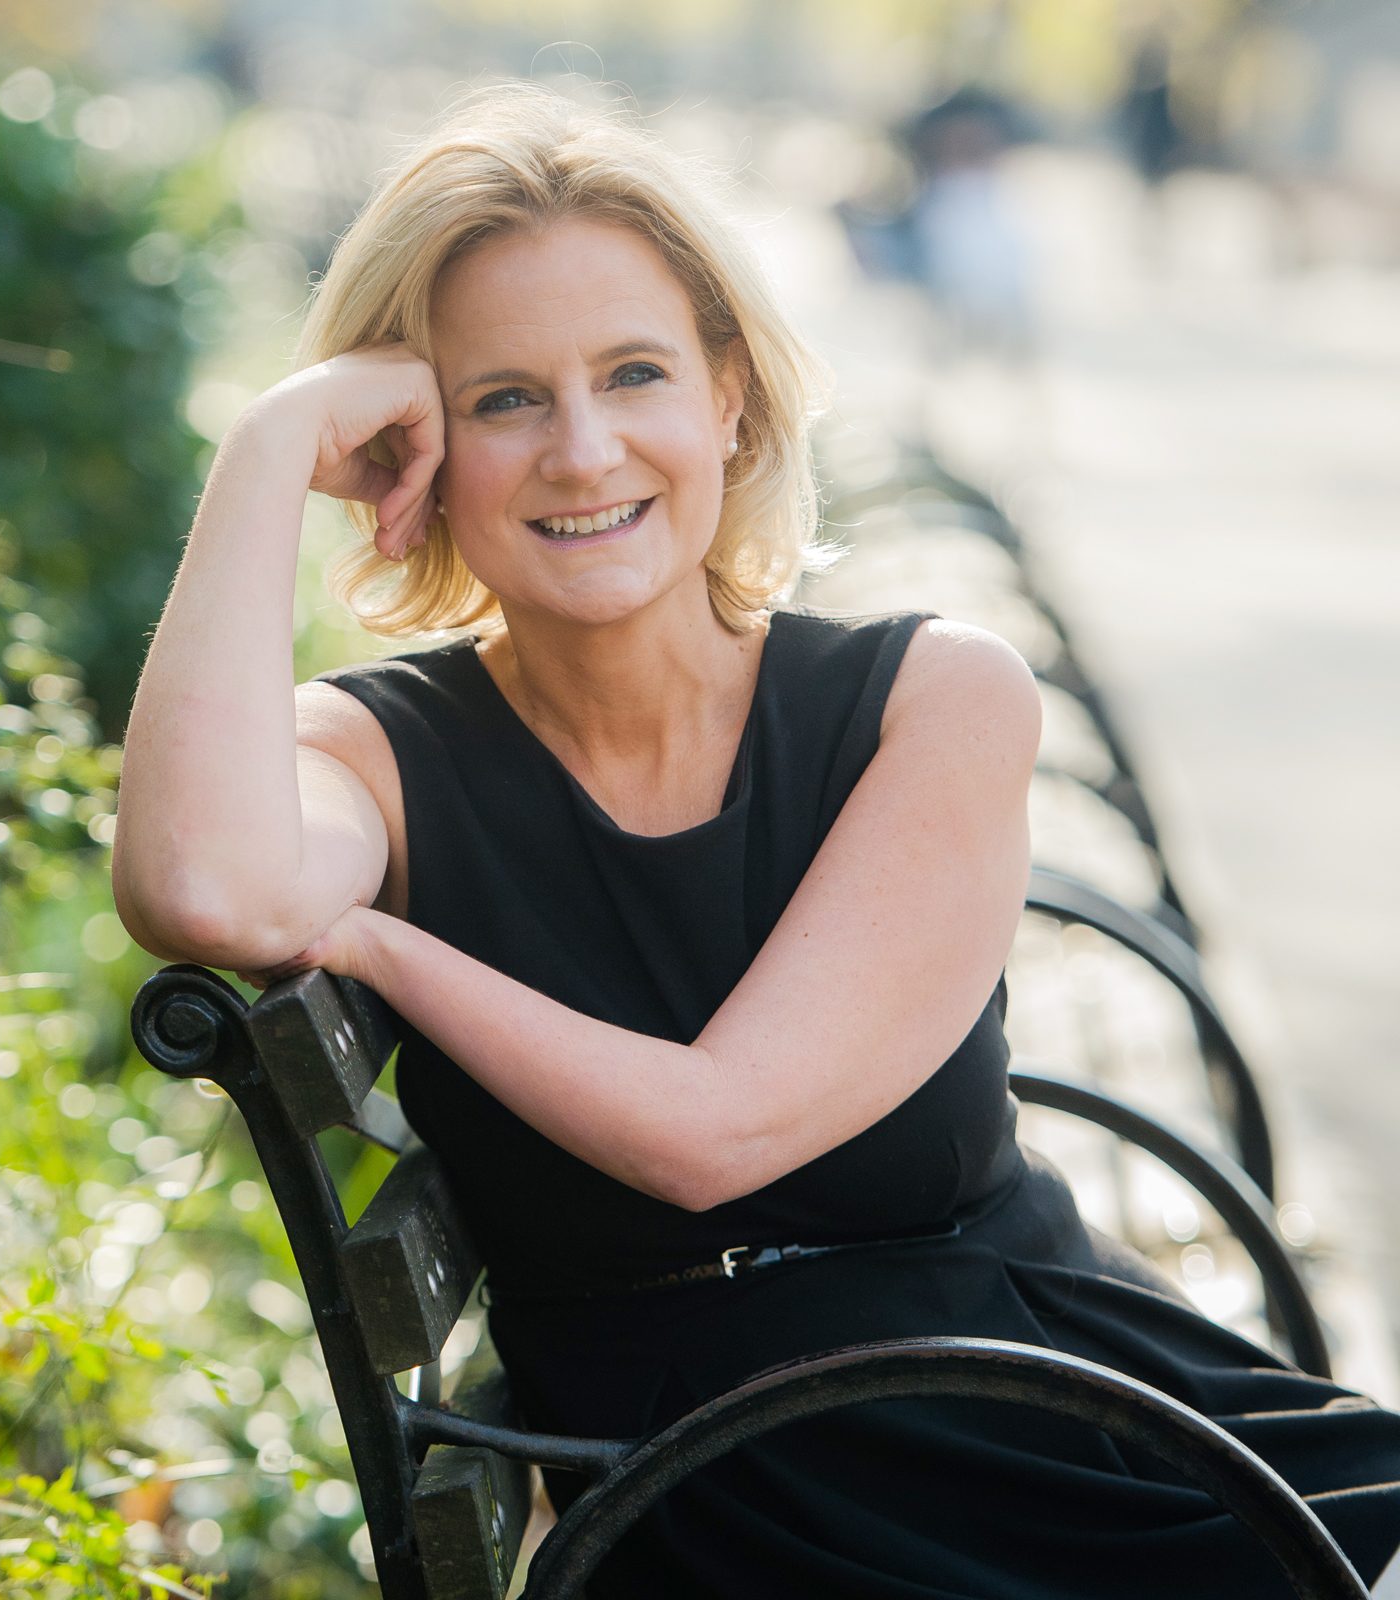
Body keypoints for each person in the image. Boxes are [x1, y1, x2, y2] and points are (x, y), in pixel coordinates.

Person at [111, 84, 1400, 1598]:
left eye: (635, 373)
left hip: (1060, 1417)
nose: (583, 451)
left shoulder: (931, 698)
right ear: (415, 447)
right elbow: (201, 888)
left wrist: (387, 947)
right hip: (738, 1485)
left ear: (730, 399)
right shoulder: (383, 754)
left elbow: (713, 1131)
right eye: (504, 399)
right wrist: (268, 442)